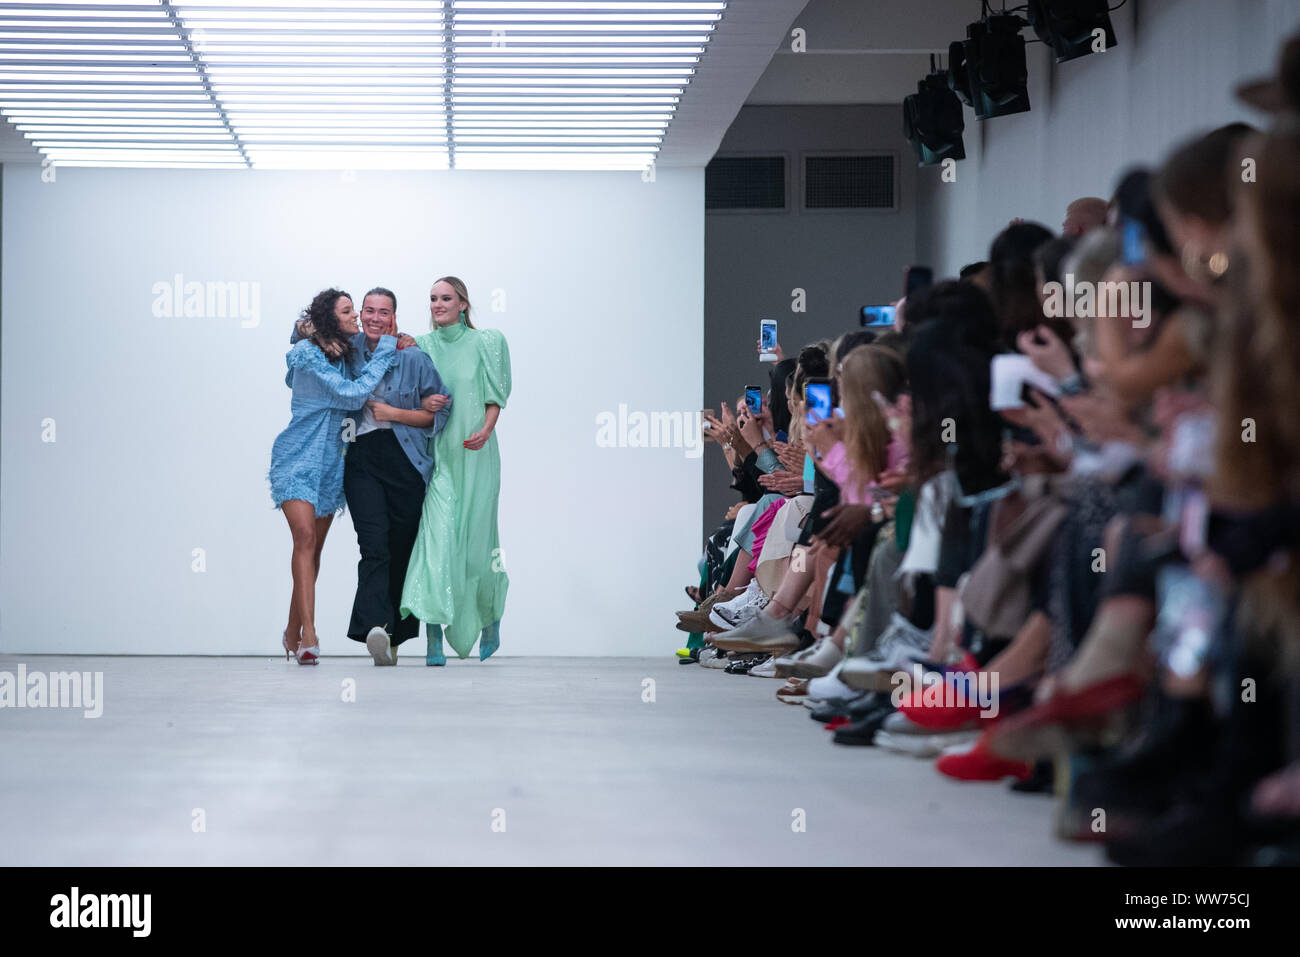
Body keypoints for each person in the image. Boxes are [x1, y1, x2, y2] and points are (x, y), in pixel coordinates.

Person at [269, 288, 397, 665]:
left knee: (312, 550)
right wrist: (387, 350)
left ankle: (292, 631)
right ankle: (310, 634)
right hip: (296, 459)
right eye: (348, 312)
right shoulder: (308, 354)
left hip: (331, 465)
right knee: (304, 538)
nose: (357, 317)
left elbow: (366, 341)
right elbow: (354, 395)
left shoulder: (346, 352)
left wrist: (397, 339)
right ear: (330, 319)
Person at [401, 276, 512, 663]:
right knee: (437, 542)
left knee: (478, 549)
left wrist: (485, 429)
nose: (437, 304)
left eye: (446, 298)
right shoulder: (422, 346)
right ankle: (433, 637)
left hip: (478, 455)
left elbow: (494, 396)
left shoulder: (488, 342)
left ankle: (489, 620)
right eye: (432, 298)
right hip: (440, 458)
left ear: (463, 303)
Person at [341, 288, 453, 666]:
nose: (375, 318)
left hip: (406, 460)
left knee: (402, 548)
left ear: (394, 317)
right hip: (361, 457)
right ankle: (375, 626)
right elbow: (305, 339)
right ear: (360, 314)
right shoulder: (347, 351)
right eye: (368, 310)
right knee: (374, 544)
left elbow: (437, 415)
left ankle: (393, 638)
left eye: (383, 312)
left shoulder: (414, 357)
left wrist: (395, 413)